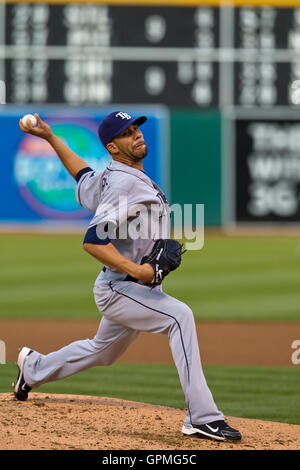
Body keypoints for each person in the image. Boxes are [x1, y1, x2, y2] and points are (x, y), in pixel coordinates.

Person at [14, 111, 242, 442]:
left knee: (102, 351)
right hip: (121, 288)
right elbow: (93, 242)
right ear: (113, 147)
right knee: (179, 317)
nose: (136, 135)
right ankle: (203, 417)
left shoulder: (111, 176)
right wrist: (140, 271)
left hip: (126, 289)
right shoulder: (123, 184)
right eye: (126, 133)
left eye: (136, 128)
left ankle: (33, 368)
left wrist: (51, 138)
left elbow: (82, 176)